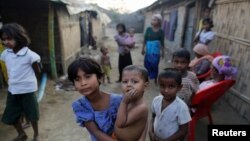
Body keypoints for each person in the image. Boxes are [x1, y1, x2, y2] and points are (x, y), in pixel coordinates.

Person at [0, 23, 42, 141]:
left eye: (9, 38)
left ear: (19, 37)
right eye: (3, 39)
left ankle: (36, 134)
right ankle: (21, 133)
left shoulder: (31, 55)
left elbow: (37, 71)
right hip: (13, 89)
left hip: (27, 90)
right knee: (12, 115)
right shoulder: (5, 53)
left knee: (33, 115)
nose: (6, 42)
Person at [69, 57, 122, 141]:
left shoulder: (119, 100)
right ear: (74, 85)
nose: (83, 83)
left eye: (87, 76)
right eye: (77, 79)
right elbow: (96, 132)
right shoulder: (81, 106)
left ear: (100, 77)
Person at [149, 68, 191, 141]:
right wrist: (150, 131)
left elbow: (184, 131)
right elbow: (153, 117)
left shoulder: (181, 107)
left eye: (171, 86)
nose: (166, 90)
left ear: (179, 87)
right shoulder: (156, 100)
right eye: (162, 86)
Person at [114, 65, 149, 141]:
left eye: (135, 81)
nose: (129, 85)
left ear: (145, 86)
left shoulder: (141, 107)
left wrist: (124, 102)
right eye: (125, 81)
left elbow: (120, 124)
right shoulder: (127, 99)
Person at [142, 14, 165, 84]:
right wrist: (143, 48)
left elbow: (162, 42)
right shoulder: (148, 29)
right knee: (147, 64)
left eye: (155, 20)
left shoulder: (161, 31)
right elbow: (145, 40)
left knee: (155, 64)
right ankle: (147, 77)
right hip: (148, 50)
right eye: (152, 19)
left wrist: (163, 52)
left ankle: (155, 78)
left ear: (159, 21)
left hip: (156, 51)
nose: (153, 21)